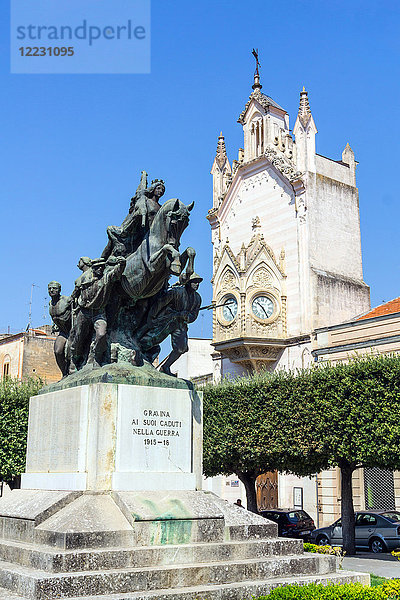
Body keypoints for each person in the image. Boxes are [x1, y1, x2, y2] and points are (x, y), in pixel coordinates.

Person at [138, 273, 202, 375]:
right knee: (150, 340)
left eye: (198, 283)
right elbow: (160, 303)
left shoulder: (197, 298)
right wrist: (151, 317)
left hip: (180, 325)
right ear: (188, 283)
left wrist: (186, 317)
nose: (197, 284)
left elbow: (194, 315)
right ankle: (139, 356)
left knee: (181, 348)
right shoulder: (176, 292)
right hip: (167, 320)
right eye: (194, 282)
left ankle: (166, 367)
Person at [69, 256, 126, 371]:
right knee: (79, 337)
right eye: (97, 267)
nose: (100, 269)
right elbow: (74, 294)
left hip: (98, 313)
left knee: (101, 334)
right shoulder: (84, 279)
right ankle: (74, 360)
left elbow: (117, 272)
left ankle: (97, 358)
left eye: (102, 267)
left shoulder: (106, 278)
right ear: (93, 268)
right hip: (84, 312)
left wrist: (122, 264)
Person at [101, 172, 166, 259]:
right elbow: (138, 210)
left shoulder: (160, 207)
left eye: (162, 190)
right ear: (153, 189)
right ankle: (103, 259)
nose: (160, 191)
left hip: (153, 234)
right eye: (158, 188)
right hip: (141, 230)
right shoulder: (145, 201)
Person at [48, 281, 72, 377]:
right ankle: (64, 373)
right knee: (57, 351)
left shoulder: (67, 300)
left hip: (72, 331)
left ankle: (72, 370)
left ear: (59, 290)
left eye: (54, 288)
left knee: (71, 351)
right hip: (63, 332)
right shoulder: (50, 303)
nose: (52, 290)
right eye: (49, 288)